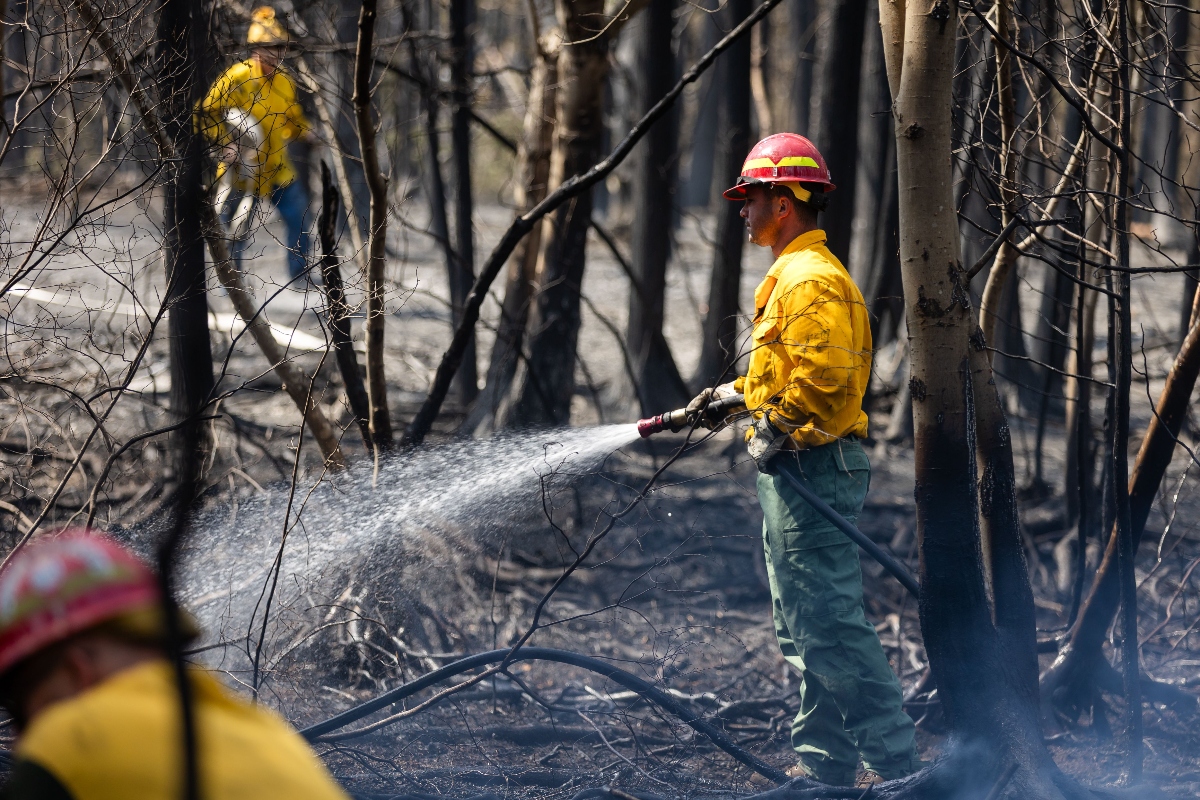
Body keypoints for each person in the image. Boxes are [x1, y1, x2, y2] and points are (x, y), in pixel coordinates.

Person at [690, 133, 919, 788]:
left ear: (784, 202)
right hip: (796, 473)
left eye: (751, 198)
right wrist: (732, 398)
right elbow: (792, 373)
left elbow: (821, 379)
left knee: (830, 627)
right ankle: (825, 770)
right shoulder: (795, 275)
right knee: (804, 627)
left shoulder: (812, 280)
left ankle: (900, 770)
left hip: (812, 470)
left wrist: (778, 425)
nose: (743, 211)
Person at [0, 531, 350, 800]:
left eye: (26, 712)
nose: (20, 740)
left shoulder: (74, 737)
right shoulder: (270, 735)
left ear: (78, 667)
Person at [200, 6, 314, 282]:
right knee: (234, 230)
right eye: (269, 46)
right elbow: (207, 113)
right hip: (240, 172)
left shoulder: (285, 81)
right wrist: (225, 144)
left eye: (279, 46)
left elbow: (291, 119)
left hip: (276, 168)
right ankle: (232, 283)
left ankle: (300, 275)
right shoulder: (236, 78)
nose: (275, 52)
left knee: (299, 214)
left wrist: (307, 133)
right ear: (256, 48)